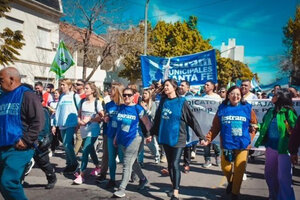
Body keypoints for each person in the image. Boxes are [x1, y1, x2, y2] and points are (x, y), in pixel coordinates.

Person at [151, 79, 206, 200]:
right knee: (170, 164)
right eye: (164, 86)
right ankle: (173, 185)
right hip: (165, 136)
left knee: (175, 164)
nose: (165, 87)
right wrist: (150, 133)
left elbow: (192, 120)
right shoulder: (163, 101)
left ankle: (175, 192)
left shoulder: (182, 102)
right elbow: (157, 119)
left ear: (174, 87)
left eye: (167, 85)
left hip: (179, 137)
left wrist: (201, 136)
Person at [202, 86, 257, 200]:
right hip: (227, 143)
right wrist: (208, 139)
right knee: (225, 168)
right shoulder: (222, 108)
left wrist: (249, 138)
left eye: (238, 94)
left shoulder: (247, 108)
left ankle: (235, 193)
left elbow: (254, 125)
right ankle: (231, 181)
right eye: (232, 93)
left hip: (242, 144)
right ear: (228, 95)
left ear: (241, 96)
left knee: (239, 169)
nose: (235, 96)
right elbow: (216, 127)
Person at [0, 67, 45, 200]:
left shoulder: (27, 95)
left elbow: (38, 121)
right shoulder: (2, 97)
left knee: (8, 182)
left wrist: (26, 140)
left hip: (19, 148)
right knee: (4, 184)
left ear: (12, 79)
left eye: (1, 80)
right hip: (3, 146)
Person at [255, 88, 297, 200]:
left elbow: (296, 130)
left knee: (283, 178)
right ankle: (274, 196)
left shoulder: (289, 112)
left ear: (281, 98)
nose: (272, 97)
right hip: (271, 148)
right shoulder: (270, 111)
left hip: (284, 149)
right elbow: (264, 125)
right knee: (269, 175)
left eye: (274, 95)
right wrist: (257, 127)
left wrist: (291, 132)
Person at [113, 88, 152, 198]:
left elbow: (147, 122)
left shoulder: (137, 108)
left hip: (134, 138)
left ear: (134, 96)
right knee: (132, 162)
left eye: (129, 95)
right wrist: (116, 137)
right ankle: (143, 179)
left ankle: (122, 188)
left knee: (127, 162)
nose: (126, 97)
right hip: (122, 138)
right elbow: (120, 125)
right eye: (124, 95)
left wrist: (150, 135)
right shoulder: (121, 108)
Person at [23, 91, 57, 189]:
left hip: (40, 141)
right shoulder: (26, 110)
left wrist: (39, 139)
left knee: (43, 162)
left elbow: (44, 128)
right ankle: (18, 180)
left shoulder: (43, 111)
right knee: (23, 162)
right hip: (28, 139)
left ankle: (52, 178)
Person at [73, 82, 104, 184]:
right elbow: (78, 115)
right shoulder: (82, 101)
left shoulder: (97, 102)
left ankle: (82, 175)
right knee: (90, 149)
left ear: (92, 91)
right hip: (83, 129)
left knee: (85, 150)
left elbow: (102, 116)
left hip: (93, 130)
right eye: (84, 88)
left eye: (87, 88)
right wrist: (79, 122)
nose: (84, 90)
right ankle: (98, 167)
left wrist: (91, 119)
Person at [52, 79, 81, 174]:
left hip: (71, 123)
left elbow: (80, 109)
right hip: (61, 123)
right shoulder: (62, 96)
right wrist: (54, 124)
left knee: (67, 143)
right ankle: (69, 164)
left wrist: (78, 122)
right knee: (66, 145)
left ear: (69, 85)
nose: (62, 86)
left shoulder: (74, 96)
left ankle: (75, 163)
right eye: (61, 85)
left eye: (63, 85)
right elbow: (58, 110)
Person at [201, 80, 222, 168]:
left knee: (216, 143)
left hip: (215, 124)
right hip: (205, 123)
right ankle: (207, 160)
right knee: (205, 142)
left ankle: (218, 157)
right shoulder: (202, 98)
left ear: (212, 87)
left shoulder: (218, 98)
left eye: (207, 85)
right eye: (205, 85)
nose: (205, 86)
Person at [138, 89, 160, 165]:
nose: (144, 95)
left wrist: (146, 109)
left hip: (149, 125)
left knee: (150, 143)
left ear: (149, 95)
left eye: (146, 93)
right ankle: (140, 161)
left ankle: (157, 155)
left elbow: (153, 115)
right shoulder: (140, 103)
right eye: (143, 93)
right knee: (140, 144)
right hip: (140, 125)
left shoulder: (153, 104)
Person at [178, 80, 194, 173]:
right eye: (180, 85)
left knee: (187, 145)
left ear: (188, 88)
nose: (180, 87)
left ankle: (186, 164)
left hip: (188, 125)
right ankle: (174, 164)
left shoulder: (192, 97)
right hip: (178, 124)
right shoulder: (176, 96)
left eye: (183, 85)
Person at [74, 79, 86, 155]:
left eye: (78, 84)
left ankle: (73, 156)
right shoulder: (73, 95)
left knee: (79, 137)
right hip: (72, 118)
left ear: (83, 86)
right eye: (76, 84)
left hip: (82, 119)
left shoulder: (85, 96)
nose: (76, 85)